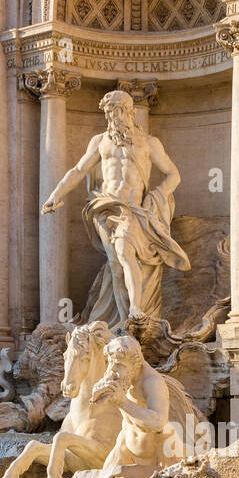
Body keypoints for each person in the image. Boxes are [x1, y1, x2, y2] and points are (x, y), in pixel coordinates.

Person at [41, 89, 190, 329]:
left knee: (124, 251)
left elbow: (174, 175)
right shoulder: (100, 142)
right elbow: (78, 170)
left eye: (121, 111)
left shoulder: (149, 143)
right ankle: (124, 323)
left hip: (132, 209)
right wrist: (54, 195)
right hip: (104, 206)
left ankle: (135, 307)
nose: (116, 117)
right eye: (111, 113)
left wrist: (157, 195)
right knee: (115, 265)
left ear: (131, 112)